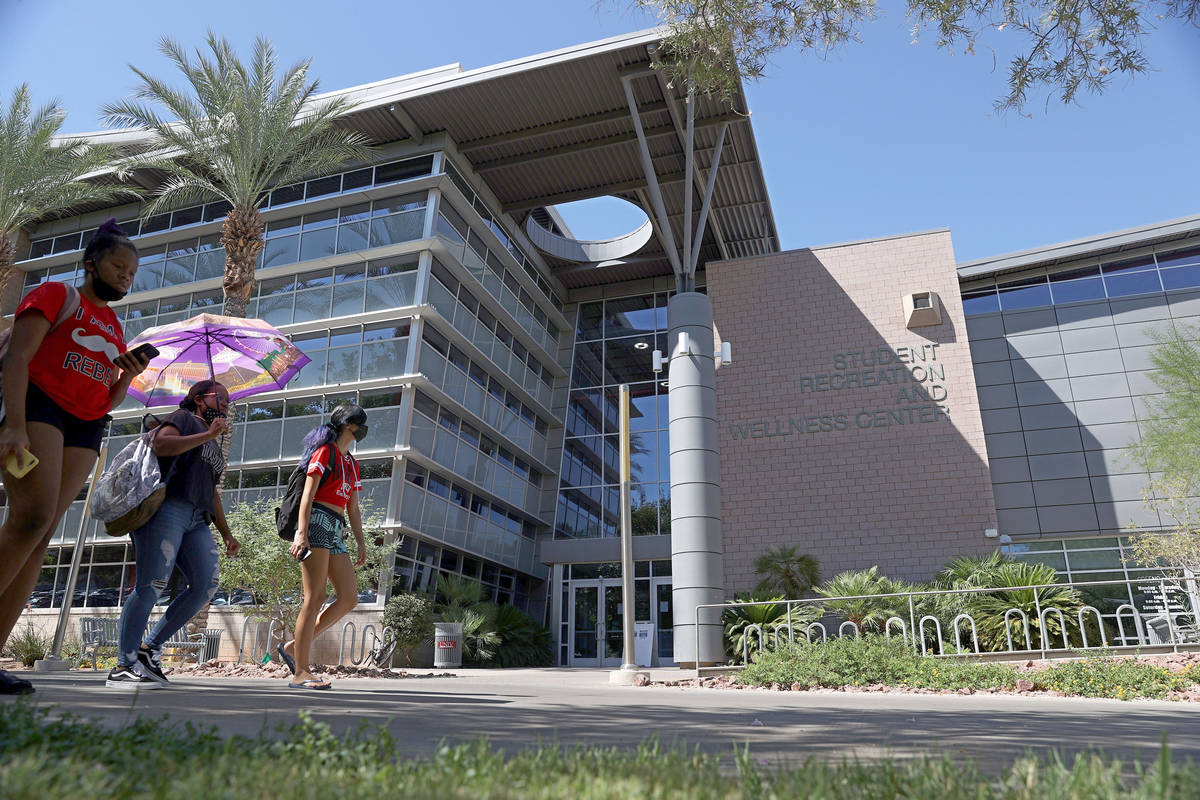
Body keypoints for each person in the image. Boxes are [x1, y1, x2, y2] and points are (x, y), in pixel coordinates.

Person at [0, 219, 151, 696]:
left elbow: (105, 402)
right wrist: (15, 425)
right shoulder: (54, 295)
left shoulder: (113, 325)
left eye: (132, 273)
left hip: (87, 426)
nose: (125, 276)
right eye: (117, 266)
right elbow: (17, 359)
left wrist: (125, 377)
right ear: (91, 263)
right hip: (39, 407)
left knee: (41, 537)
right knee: (31, 518)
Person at [106, 379, 241, 689]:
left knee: (206, 584)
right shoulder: (181, 419)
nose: (224, 403)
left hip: (197, 518)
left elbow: (212, 491)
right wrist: (207, 433)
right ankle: (123, 665)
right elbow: (162, 444)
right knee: (151, 585)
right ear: (197, 399)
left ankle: (148, 648)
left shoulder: (214, 442)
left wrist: (226, 533)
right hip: (167, 509)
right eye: (218, 397)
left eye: (227, 400)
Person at [279, 404, 368, 690]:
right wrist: (301, 534)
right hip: (317, 520)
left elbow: (353, 508)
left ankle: (294, 648)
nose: (364, 430)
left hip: (337, 527)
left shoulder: (352, 464)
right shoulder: (324, 452)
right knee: (314, 596)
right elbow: (307, 496)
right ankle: (300, 672)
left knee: (349, 598)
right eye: (360, 424)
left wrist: (361, 542)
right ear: (348, 425)